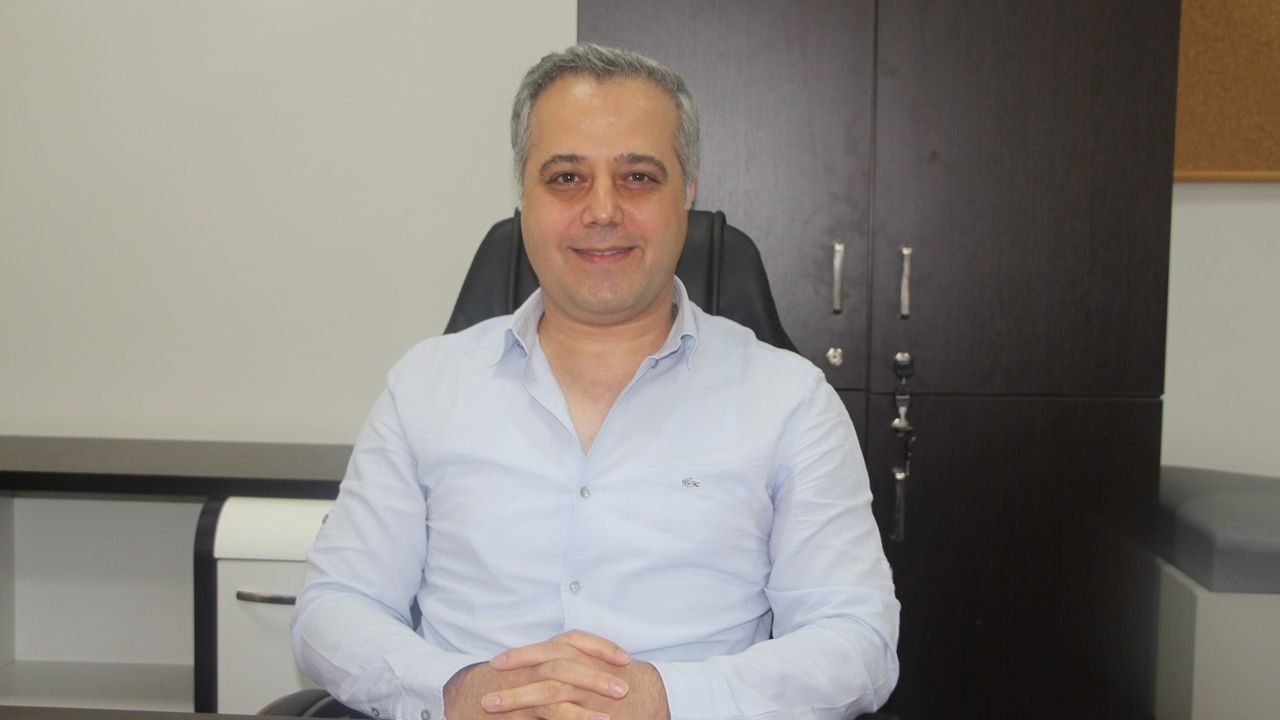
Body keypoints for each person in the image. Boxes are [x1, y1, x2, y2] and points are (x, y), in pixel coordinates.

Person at [292, 43, 899, 720]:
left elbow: (857, 640)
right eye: (566, 178)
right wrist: (455, 691)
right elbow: (334, 608)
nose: (603, 209)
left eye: (638, 177)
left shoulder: (791, 402)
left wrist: (666, 700)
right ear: (523, 196)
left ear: (688, 193)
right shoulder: (424, 388)